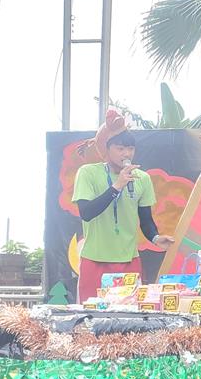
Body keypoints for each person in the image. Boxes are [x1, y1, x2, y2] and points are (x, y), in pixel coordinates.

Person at [73, 109, 175, 301]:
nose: (126, 154)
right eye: (120, 149)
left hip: (129, 260)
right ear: (106, 149)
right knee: (92, 314)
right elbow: (86, 212)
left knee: (128, 313)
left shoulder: (142, 178)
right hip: (95, 261)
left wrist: (155, 237)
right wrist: (117, 186)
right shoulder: (87, 173)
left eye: (130, 149)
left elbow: (145, 219)